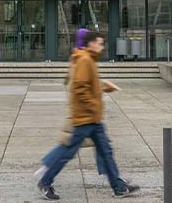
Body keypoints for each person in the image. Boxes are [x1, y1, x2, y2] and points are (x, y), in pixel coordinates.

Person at [36, 31, 139, 200]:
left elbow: (88, 86)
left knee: (106, 151)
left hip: (93, 119)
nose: (102, 46)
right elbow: (80, 88)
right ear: (90, 44)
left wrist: (102, 90)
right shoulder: (85, 60)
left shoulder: (89, 60)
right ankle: (45, 182)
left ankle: (119, 187)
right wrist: (93, 105)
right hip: (85, 119)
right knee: (67, 152)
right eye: (99, 43)